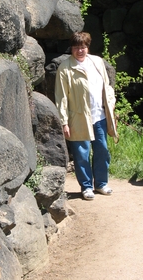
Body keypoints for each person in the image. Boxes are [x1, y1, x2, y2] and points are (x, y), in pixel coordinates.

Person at [55, 31, 116, 200]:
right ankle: (86, 186)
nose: (80, 50)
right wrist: (64, 122)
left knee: (102, 150)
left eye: (83, 47)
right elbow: (61, 97)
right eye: (76, 47)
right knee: (82, 154)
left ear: (88, 47)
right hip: (78, 118)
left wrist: (110, 105)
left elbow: (107, 86)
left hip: (100, 116)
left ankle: (102, 184)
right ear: (71, 49)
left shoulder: (97, 62)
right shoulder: (65, 68)